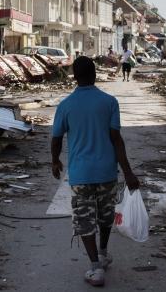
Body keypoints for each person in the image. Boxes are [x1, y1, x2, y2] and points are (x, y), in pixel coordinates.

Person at [51, 57, 140, 287]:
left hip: (80, 174)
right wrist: (128, 173)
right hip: (106, 172)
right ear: (95, 75)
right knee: (105, 216)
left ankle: (95, 267)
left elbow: (56, 138)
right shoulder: (109, 102)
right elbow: (117, 140)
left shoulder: (66, 105)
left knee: (84, 220)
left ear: (75, 77)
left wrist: (54, 161)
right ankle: (103, 253)